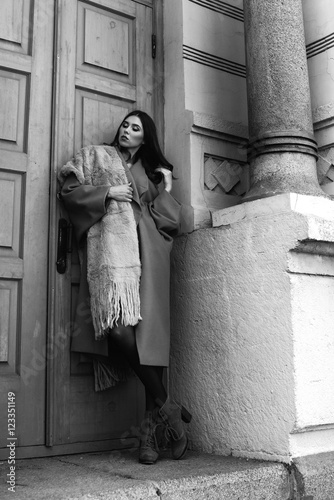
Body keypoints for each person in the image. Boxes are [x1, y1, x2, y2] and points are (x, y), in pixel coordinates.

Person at [57, 110, 191, 465]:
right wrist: (106, 192)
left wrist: (167, 188)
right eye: (125, 125)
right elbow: (69, 191)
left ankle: (147, 439)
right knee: (119, 331)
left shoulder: (149, 174)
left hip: (150, 258)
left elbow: (169, 223)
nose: (126, 131)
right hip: (115, 258)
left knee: (151, 344)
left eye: (136, 128)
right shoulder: (97, 156)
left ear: (145, 138)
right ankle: (171, 409)